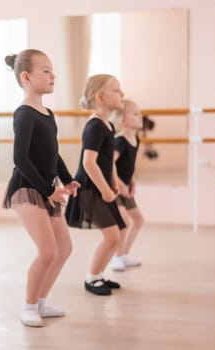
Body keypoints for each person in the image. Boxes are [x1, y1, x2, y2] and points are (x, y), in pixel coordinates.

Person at [3, 49, 80, 327]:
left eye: (52, 70)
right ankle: (28, 306)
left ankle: (41, 302)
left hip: (47, 189)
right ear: (26, 77)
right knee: (47, 250)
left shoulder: (47, 113)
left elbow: (53, 154)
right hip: (26, 189)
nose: (52, 75)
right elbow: (20, 158)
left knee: (64, 248)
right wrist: (48, 191)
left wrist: (67, 179)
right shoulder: (24, 114)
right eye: (45, 70)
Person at [65, 74, 126, 296]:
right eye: (117, 90)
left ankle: (98, 275)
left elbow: (108, 160)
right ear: (100, 97)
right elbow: (88, 162)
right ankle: (91, 278)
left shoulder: (108, 125)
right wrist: (106, 190)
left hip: (101, 186)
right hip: (90, 189)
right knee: (112, 236)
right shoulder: (95, 127)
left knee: (116, 234)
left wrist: (113, 181)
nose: (122, 94)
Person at [109, 99, 145, 271]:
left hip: (125, 186)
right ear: (123, 120)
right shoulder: (120, 140)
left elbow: (130, 164)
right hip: (114, 187)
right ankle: (116, 257)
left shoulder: (135, 138)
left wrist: (132, 180)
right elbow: (111, 164)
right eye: (135, 114)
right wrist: (119, 184)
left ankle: (124, 254)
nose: (140, 117)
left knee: (138, 220)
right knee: (124, 221)